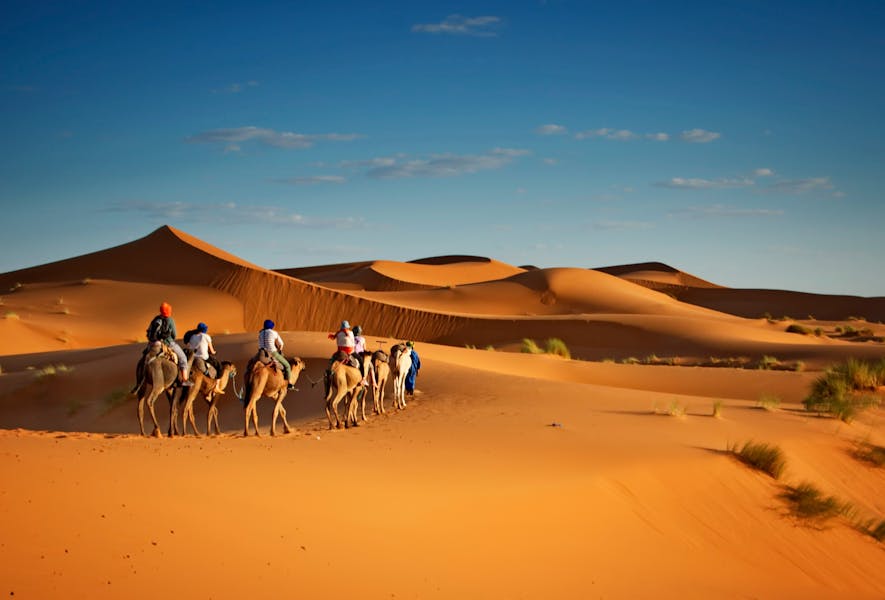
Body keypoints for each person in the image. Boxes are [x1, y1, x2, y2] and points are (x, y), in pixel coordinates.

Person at [146, 302, 191, 386]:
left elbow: (149, 331)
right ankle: (185, 380)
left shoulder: (156, 319)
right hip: (168, 343)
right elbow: (174, 335)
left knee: (145, 354)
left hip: (152, 343)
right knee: (183, 358)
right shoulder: (170, 320)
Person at [259, 319, 294, 390]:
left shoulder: (260, 333)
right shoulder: (274, 333)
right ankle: (289, 384)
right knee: (287, 366)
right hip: (272, 353)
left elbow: (260, 344)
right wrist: (280, 350)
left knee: (250, 363)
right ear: (272, 326)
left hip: (261, 353)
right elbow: (281, 344)